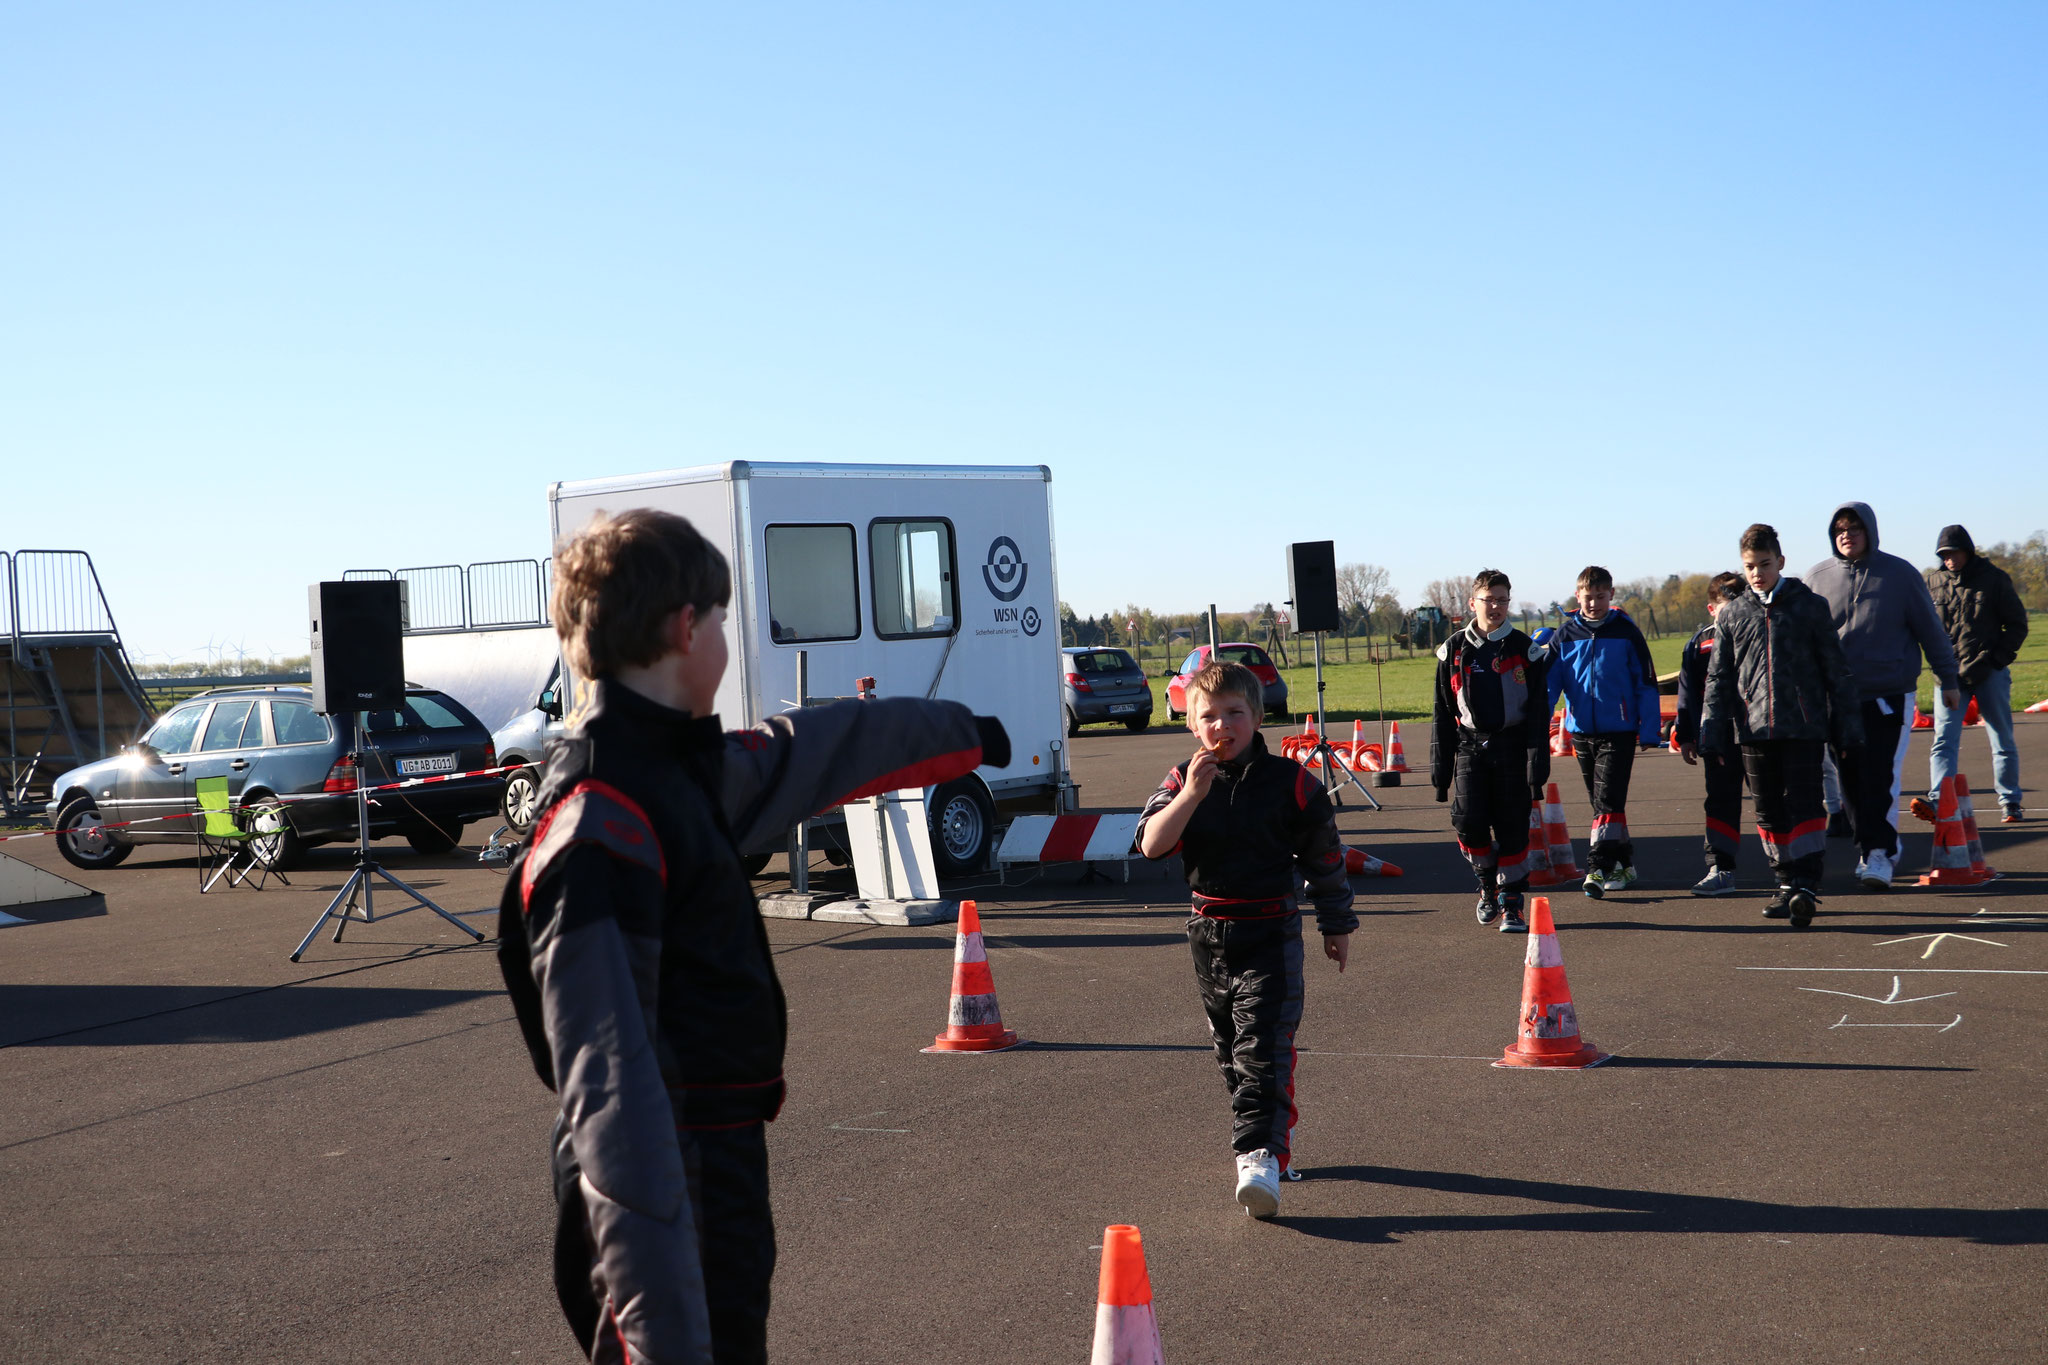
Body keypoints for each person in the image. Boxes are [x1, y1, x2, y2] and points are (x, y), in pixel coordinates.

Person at [496, 508, 1007, 1364]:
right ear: (685, 627)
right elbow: (613, 1102)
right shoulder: (597, 822)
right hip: (662, 1195)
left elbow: (807, 749)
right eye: (724, 620)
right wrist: (657, 1325)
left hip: (715, 1163)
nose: (728, 640)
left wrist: (960, 732)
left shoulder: (669, 767)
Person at [1136, 660, 1355, 1220]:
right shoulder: (1180, 778)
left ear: (1258, 717)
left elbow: (1325, 861)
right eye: (1208, 716)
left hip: (1271, 932)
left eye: (1235, 714)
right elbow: (1151, 845)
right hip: (1208, 934)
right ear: (1190, 723)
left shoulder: (1294, 785)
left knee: (1263, 1048)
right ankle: (1271, 1142)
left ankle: (1257, 1157)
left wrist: (1336, 925)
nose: (1221, 727)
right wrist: (1189, 796)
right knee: (1233, 1054)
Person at [1701, 524, 1862, 928]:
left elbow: (1836, 671)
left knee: (1804, 806)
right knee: (1768, 810)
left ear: (1781, 562)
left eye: (1765, 564)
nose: (1757, 573)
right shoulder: (1734, 613)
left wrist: (1847, 726)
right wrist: (1712, 730)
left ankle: (1807, 881)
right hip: (1753, 731)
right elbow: (1719, 678)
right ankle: (1786, 884)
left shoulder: (1809, 606)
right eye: (1750, 566)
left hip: (1803, 727)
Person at [1807, 502, 1960, 890]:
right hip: (1837, 699)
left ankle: (1881, 854)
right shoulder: (1816, 578)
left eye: (1854, 528)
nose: (1847, 535)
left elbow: (1930, 629)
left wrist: (1949, 679)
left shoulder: (1899, 575)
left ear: (1870, 532)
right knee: (1850, 784)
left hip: (1888, 694)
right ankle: (1869, 849)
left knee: (1880, 777)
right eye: (1840, 528)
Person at [1428, 569, 1552, 933]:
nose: (1495, 607)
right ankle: (1487, 885)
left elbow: (1538, 715)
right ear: (1472, 603)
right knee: (1468, 820)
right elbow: (1441, 713)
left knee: (1513, 824)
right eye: (1488, 600)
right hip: (1469, 746)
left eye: (1502, 600)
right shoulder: (1452, 650)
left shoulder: (1525, 650)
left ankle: (1512, 901)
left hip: (1512, 747)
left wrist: (1536, 768)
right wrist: (1440, 773)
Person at [1546, 566, 1662, 897]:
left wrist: (1650, 730)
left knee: (1608, 801)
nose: (1594, 603)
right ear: (1577, 595)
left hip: (1620, 731)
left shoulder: (1627, 633)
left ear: (1611, 595)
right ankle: (1623, 865)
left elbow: (1646, 683)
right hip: (1581, 732)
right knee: (1603, 804)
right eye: (1588, 597)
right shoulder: (1565, 636)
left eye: (1600, 597)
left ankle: (1596, 866)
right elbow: (1549, 686)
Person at [1922, 525, 2029, 823]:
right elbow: (1925, 628)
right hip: (1948, 676)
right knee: (1943, 740)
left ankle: (2010, 801)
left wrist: (1996, 660)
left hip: (1989, 672)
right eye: (1943, 554)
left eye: (1953, 553)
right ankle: (1938, 801)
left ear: (1967, 551)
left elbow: (2017, 625)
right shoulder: (1931, 583)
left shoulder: (1994, 579)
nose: (1949, 559)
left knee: (2001, 738)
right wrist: (1939, 666)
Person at [1674, 572, 1747, 896]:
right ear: (1711, 608)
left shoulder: (1761, 633)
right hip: (1717, 735)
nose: (1730, 612)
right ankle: (1720, 868)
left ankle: (1789, 870)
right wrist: (1687, 735)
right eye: (1723, 606)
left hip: (1761, 733)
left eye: (1737, 604)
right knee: (1720, 801)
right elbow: (1688, 693)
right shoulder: (1700, 644)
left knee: (1773, 802)